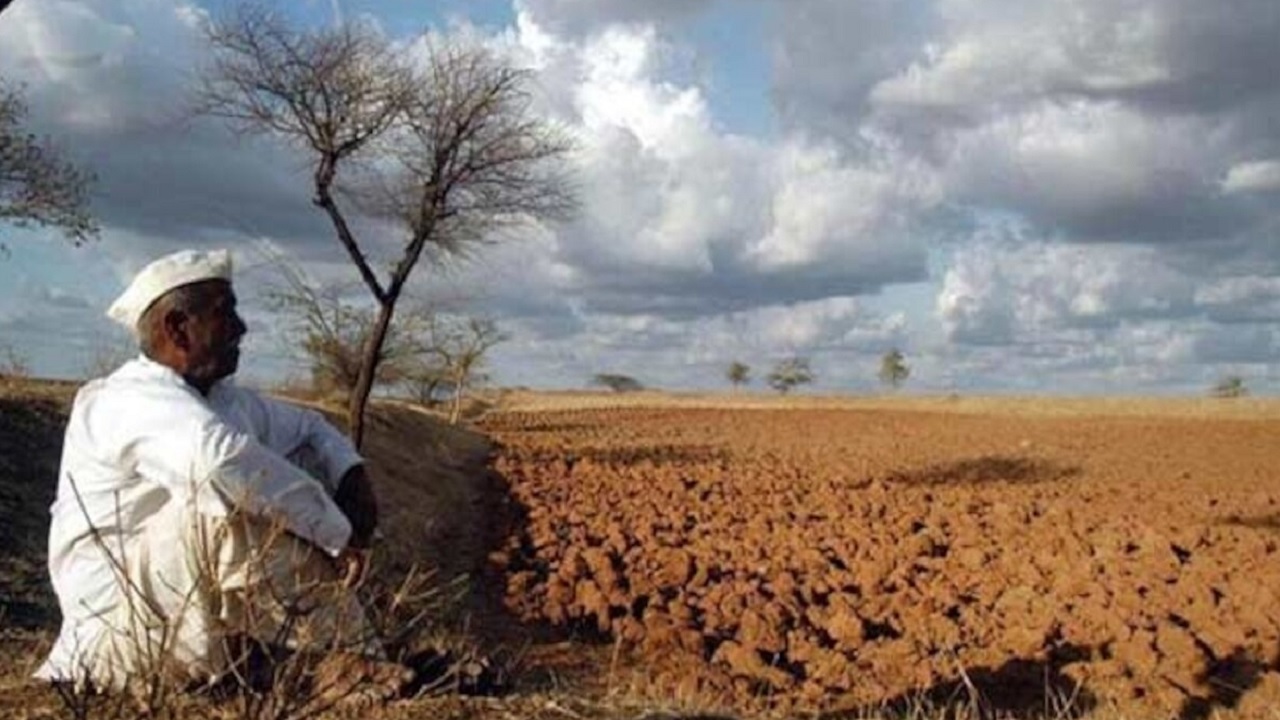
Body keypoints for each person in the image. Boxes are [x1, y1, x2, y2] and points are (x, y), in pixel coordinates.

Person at [35, 249, 394, 692]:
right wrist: (337, 535)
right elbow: (220, 464)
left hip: (181, 619)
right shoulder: (124, 400)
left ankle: (362, 660)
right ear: (177, 328)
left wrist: (351, 476)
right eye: (226, 313)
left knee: (274, 493)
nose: (241, 327)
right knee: (224, 507)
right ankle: (350, 664)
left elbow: (309, 428)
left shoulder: (221, 400)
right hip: (118, 637)